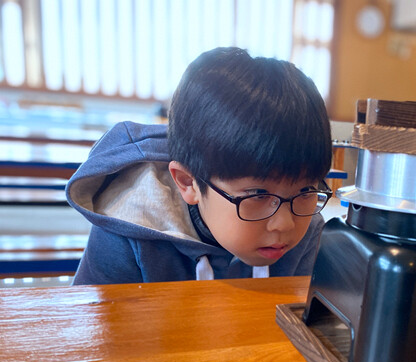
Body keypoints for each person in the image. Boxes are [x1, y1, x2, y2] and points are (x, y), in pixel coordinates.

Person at [66, 47, 332, 284]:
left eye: (306, 190)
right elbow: (95, 320)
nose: (284, 224)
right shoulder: (127, 227)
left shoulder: (307, 226)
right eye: (258, 194)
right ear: (188, 182)